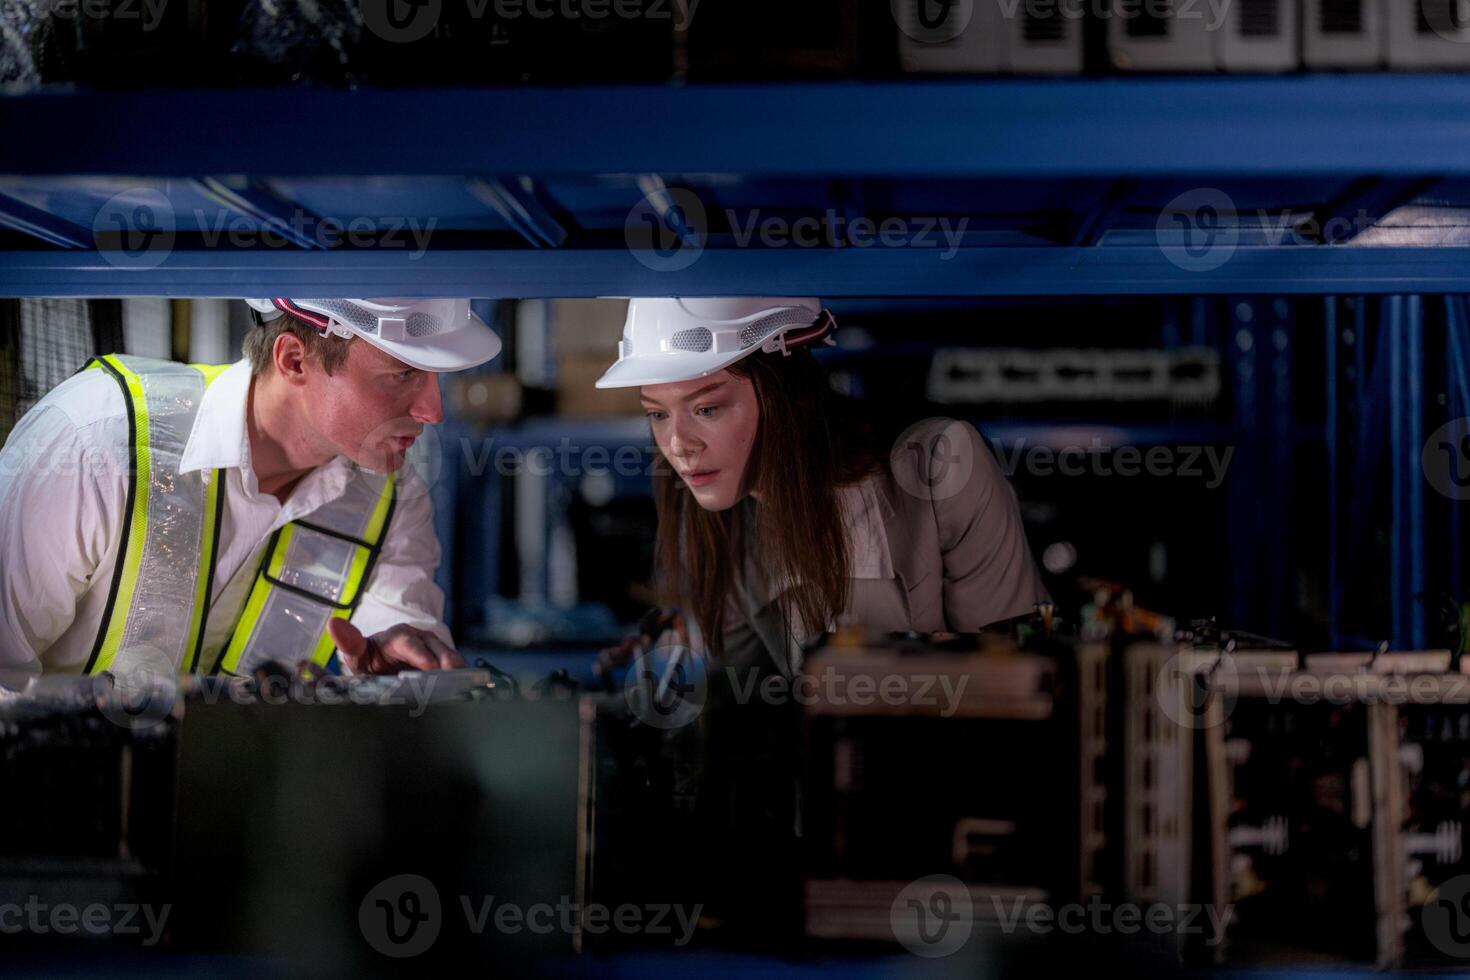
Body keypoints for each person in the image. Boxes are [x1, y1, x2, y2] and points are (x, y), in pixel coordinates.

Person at [0, 297, 501, 683]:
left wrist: (395, 680)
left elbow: (400, 662)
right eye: (404, 374)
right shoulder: (97, 443)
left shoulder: (393, 498)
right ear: (294, 360)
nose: (433, 411)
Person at [595, 296, 1050, 675]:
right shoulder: (724, 523)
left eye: (707, 409)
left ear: (785, 396)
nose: (677, 445)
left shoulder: (941, 464)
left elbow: (1018, 681)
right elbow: (745, 710)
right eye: (658, 413)